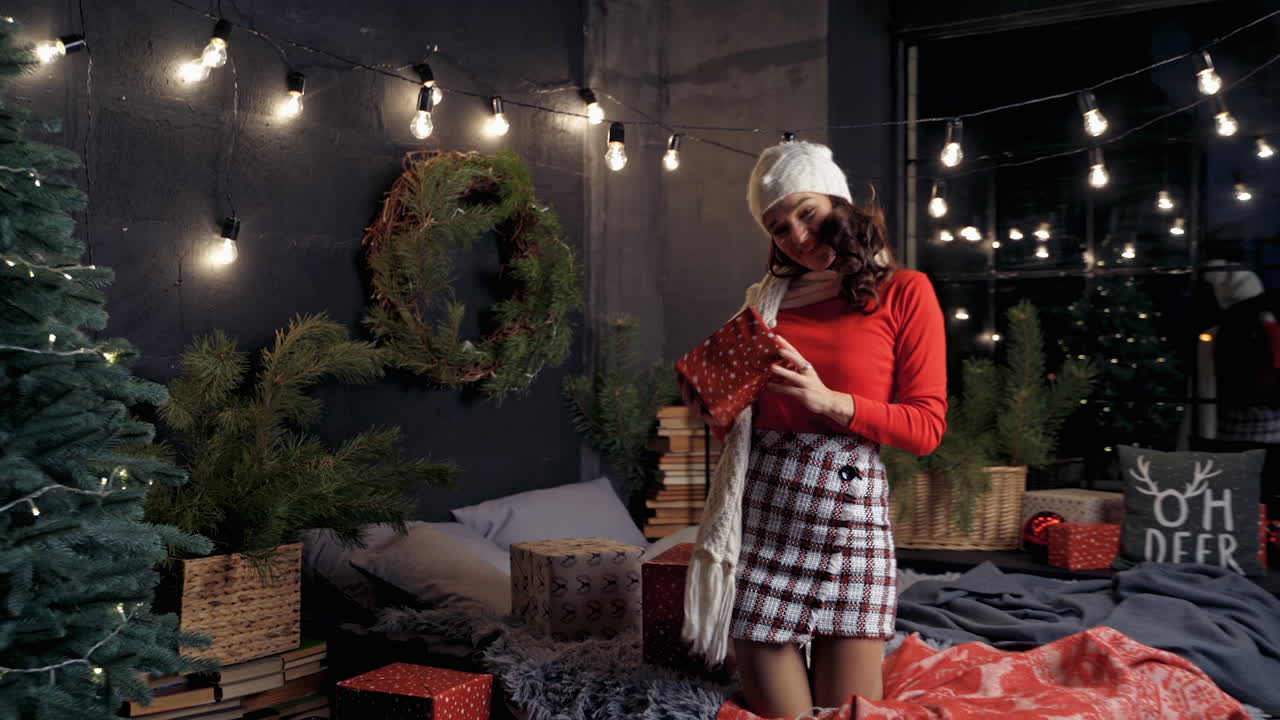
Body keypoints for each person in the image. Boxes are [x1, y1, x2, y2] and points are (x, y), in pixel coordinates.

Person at [679, 141, 948, 718]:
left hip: (850, 522)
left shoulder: (906, 291)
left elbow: (926, 428)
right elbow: (748, 430)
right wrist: (715, 413)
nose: (797, 236)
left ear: (838, 200)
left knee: (849, 714)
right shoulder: (764, 306)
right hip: (768, 522)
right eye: (778, 228)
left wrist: (832, 402)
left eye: (806, 212)